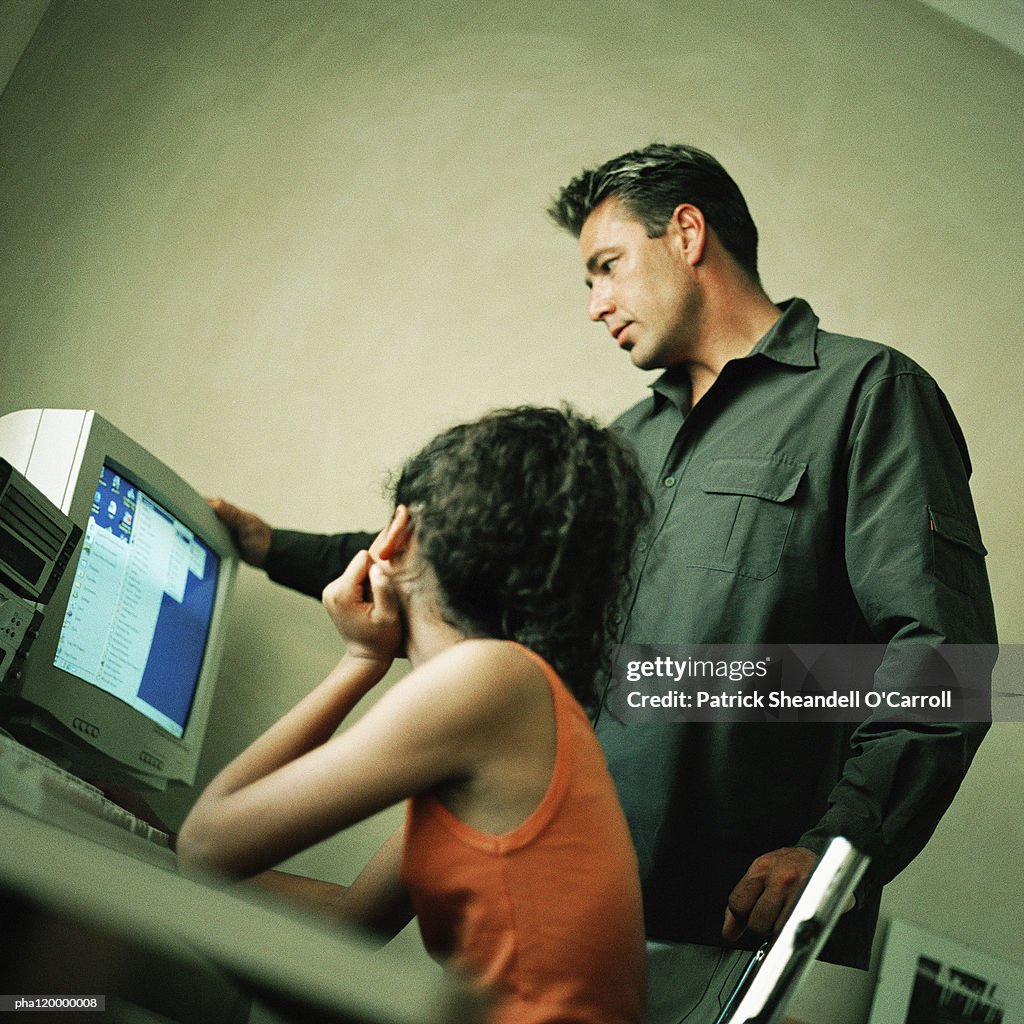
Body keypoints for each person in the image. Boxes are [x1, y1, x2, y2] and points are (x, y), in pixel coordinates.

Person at [211, 144, 997, 1024]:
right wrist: (270, 545)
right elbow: (461, 553)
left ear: (688, 234)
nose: (596, 306)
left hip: (746, 945)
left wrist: (836, 849)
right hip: (580, 923)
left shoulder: (867, 394)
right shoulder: (622, 444)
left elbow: (948, 660)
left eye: (606, 268)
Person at [180, 406, 650, 1024]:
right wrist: (150, 853)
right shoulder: (516, 698)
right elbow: (351, 920)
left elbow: (206, 847)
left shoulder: (488, 680)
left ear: (397, 533)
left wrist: (358, 659)